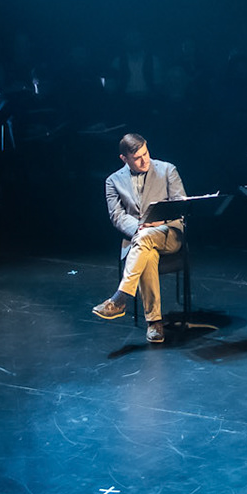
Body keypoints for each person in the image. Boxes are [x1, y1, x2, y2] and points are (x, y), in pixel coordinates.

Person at [91, 134, 187, 344]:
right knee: (147, 254)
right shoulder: (113, 181)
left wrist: (157, 222)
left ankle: (120, 297)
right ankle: (155, 323)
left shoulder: (167, 169)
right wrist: (140, 227)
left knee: (144, 240)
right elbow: (117, 216)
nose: (145, 160)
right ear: (124, 158)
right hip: (139, 238)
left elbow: (181, 207)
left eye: (146, 153)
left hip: (169, 234)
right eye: (137, 158)